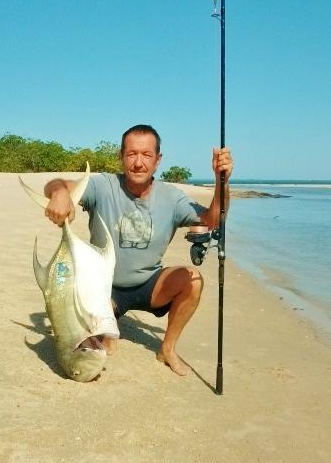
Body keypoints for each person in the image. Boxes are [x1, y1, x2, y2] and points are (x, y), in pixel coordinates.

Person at [43, 124, 233, 376]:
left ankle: (168, 349)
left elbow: (212, 220)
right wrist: (59, 194)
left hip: (149, 283)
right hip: (102, 288)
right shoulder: (103, 187)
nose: (138, 163)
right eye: (132, 154)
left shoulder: (172, 197)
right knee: (103, 345)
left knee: (193, 280)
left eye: (147, 155)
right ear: (121, 157)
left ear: (158, 160)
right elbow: (56, 184)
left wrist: (222, 182)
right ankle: (110, 324)